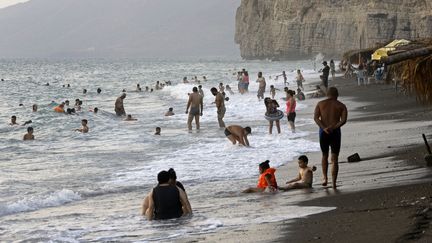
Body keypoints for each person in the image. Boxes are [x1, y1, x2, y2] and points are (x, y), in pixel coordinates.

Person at [314, 87, 348, 189]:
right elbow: (343, 120)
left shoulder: (320, 104)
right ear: (337, 95)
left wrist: (324, 128)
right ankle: (333, 183)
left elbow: (316, 118)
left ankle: (325, 178)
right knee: (335, 159)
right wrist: (333, 127)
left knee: (324, 155)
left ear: (327, 94)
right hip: (335, 132)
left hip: (323, 132)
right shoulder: (341, 105)